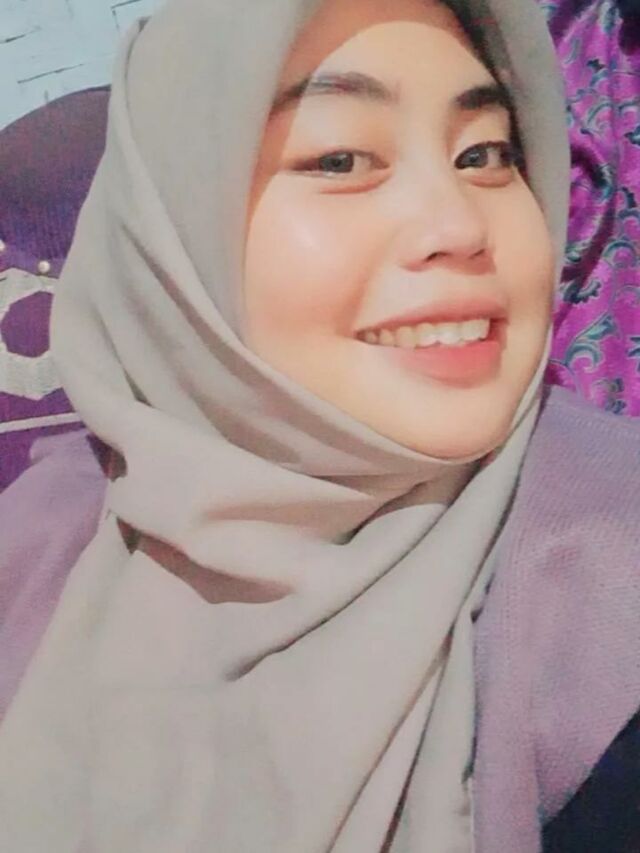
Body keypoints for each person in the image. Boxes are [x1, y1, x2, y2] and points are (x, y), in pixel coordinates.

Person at [0, 0, 638, 850]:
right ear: (171, 235)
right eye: (341, 159)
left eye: (485, 154)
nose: (459, 226)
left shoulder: (608, 582)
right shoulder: (42, 543)